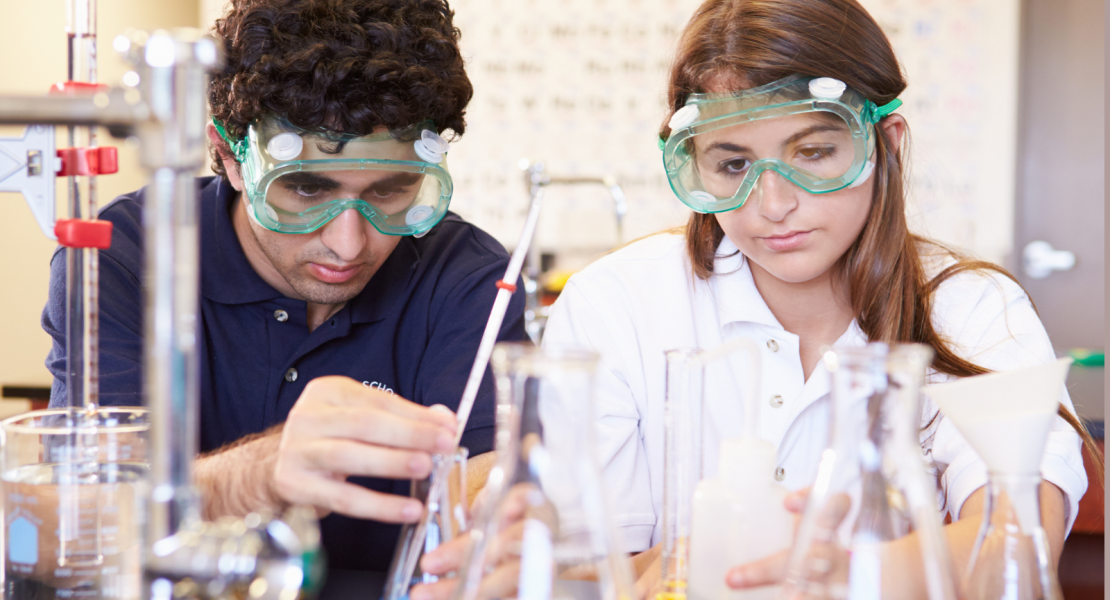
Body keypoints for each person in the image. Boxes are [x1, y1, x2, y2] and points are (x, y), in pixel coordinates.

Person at [530, 0, 1100, 597]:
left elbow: (1017, 543)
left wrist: (858, 574)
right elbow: (579, 570)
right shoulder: (619, 302)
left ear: (885, 141)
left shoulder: (972, 307)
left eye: (813, 153)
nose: (773, 205)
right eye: (732, 163)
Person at [41, 0, 525, 576]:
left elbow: (486, 488)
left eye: (391, 191)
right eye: (308, 190)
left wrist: (500, 533)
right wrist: (262, 469)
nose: (350, 244)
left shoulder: (470, 279)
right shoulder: (124, 256)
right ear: (229, 156)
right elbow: (75, 521)